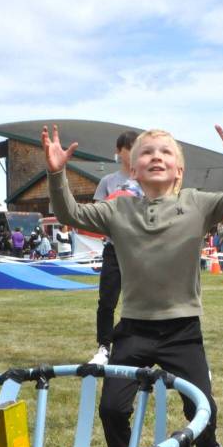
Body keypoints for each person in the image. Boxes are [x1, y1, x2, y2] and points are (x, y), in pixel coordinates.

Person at [42, 107, 223, 447]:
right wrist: (56, 174)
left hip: (182, 330)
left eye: (165, 152)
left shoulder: (197, 204)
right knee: (112, 409)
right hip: (135, 331)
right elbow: (69, 214)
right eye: (146, 153)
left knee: (202, 407)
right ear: (132, 170)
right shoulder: (118, 210)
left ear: (179, 169)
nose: (156, 157)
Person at [89, 130, 142, 364]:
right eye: (130, 148)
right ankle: (104, 347)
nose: (135, 153)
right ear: (119, 151)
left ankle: (139, 345)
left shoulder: (147, 179)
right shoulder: (107, 182)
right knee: (107, 300)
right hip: (113, 249)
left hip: (141, 250)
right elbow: (98, 216)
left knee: (143, 299)